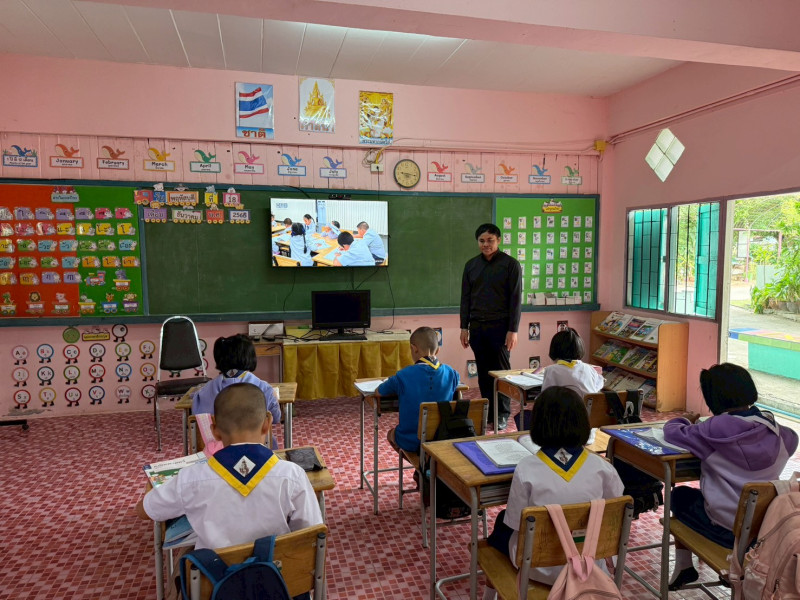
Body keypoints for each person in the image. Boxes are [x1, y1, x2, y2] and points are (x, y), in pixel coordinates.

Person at [137, 383, 322, 551]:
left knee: (185, 558)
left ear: (214, 430)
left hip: (214, 576)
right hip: (277, 572)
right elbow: (312, 532)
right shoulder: (292, 474)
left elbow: (145, 511)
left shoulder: (190, 478)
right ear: (267, 424)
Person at [663, 363, 798, 590]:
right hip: (763, 528)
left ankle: (685, 566)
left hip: (725, 529)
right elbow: (792, 438)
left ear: (712, 399)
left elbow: (672, 432)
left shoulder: (711, 432)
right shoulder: (781, 434)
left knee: (679, 495)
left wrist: (685, 419)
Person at [483, 387, 624, 598]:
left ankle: (488, 594)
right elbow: (615, 514)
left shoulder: (526, 469)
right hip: (591, 563)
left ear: (538, 424)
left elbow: (515, 523)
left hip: (538, 568)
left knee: (502, 524)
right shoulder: (604, 468)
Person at [460, 223, 522, 431]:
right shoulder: (471, 266)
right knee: (483, 373)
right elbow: (465, 299)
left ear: (499, 240)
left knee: (501, 373)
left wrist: (513, 330)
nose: (485, 244)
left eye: (490, 240)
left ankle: (502, 414)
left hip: (501, 327)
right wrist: (464, 327)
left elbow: (515, 300)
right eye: (482, 241)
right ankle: (488, 411)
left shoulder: (510, 265)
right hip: (477, 327)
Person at [377, 326, 461, 452]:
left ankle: (418, 463)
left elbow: (379, 392)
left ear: (414, 348)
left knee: (391, 434)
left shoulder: (403, 375)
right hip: (441, 438)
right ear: (438, 350)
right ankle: (425, 463)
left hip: (410, 441)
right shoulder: (452, 374)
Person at [192, 334, 280, 431]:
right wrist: (274, 398)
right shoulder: (265, 389)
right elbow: (276, 419)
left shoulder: (204, 392)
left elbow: (197, 418)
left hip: (219, 440)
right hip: (254, 440)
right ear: (250, 356)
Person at [540, 327, 604, 396]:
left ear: (554, 350)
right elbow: (598, 386)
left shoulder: (551, 370)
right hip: (587, 403)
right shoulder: (590, 369)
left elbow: (545, 395)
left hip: (564, 403)